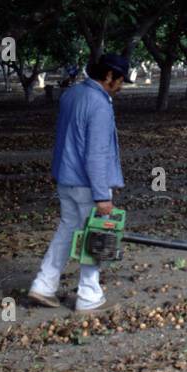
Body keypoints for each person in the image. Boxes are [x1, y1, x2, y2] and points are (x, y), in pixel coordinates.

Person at [28, 53, 127, 315]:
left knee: (66, 230)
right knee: (96, 236)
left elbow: (63, 138)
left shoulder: (70, 95)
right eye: (120, 80)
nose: (121, 86)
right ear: (108, 76)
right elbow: (95, 153)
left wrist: (56, 172)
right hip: (88, 184)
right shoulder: (99, 104)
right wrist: (101, 196)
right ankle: (89, 297)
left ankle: (44, 285)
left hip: (66, 178)